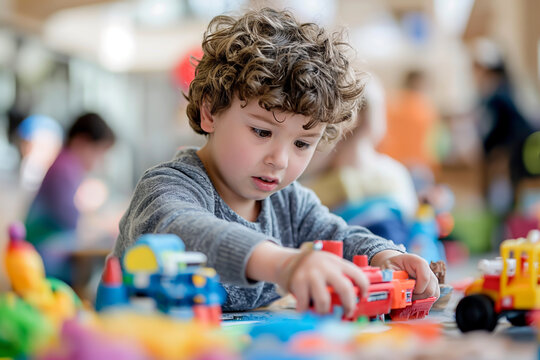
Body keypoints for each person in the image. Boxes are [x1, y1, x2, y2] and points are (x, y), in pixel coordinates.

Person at [113, 8, 439, 317]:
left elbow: (338, 236)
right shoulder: (168, 188)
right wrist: (283, 263)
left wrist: (386, 256)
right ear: (210, 112)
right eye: (261, 131)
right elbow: (186, 231)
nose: (279, 160)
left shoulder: (289, 204)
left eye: (301, 143)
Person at [25, 112, 115, 282]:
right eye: (98, 152)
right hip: (41, 255)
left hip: (41, 251)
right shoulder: (64, 167)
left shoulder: (67, 164)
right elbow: (71, 220)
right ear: (81, 142)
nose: (100, 160)